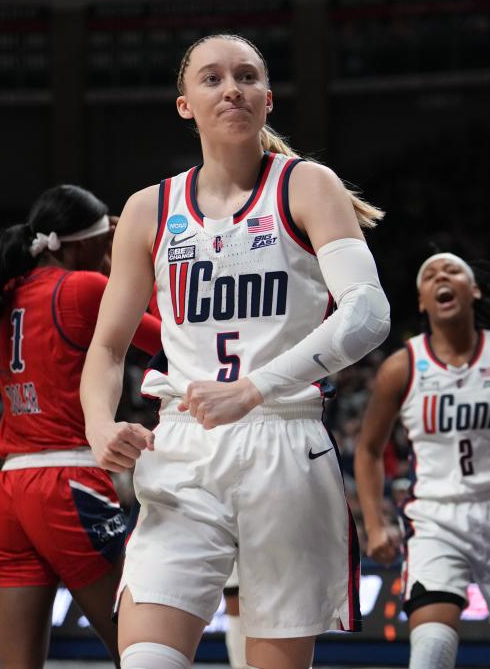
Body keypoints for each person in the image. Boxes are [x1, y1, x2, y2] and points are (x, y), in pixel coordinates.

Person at [80, 33, 390, 669]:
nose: (232, 89)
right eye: (213, 78)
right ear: (184, 104)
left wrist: (255, 387)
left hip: (283, 442)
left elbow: (368, 313)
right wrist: (97, 425)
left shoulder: (306, 185)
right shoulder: (149, 208)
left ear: (268, 99)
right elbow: (107, 349)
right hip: (184, 448)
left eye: (246, 77)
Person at [0, 184, 162, 668]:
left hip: (9, 489)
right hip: (67, 483)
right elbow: (166, 339)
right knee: (146, 653)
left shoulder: (8, 290)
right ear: (81, 244)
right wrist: (130, 266)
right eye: (103, 239)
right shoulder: (84, 287)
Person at [354, 252, 490, 669]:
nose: (440, 276)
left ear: (474, 290)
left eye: (452, 271)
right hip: (436, 518)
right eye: (429, 275)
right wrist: (375, 523)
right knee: (431, 654)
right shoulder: (402, 366)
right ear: (423, 301)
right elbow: (369, 450)